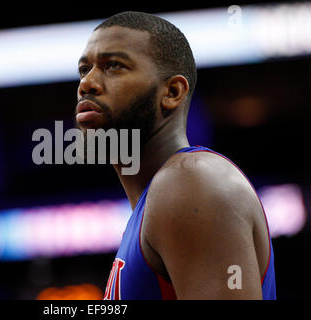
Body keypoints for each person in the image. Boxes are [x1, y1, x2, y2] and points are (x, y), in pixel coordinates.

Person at [74, 11, 276, 300]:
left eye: (113, 65)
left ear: (172, 91)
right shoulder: (156, 201)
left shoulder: (192, 180)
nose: (87, 84)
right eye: (84, 69)